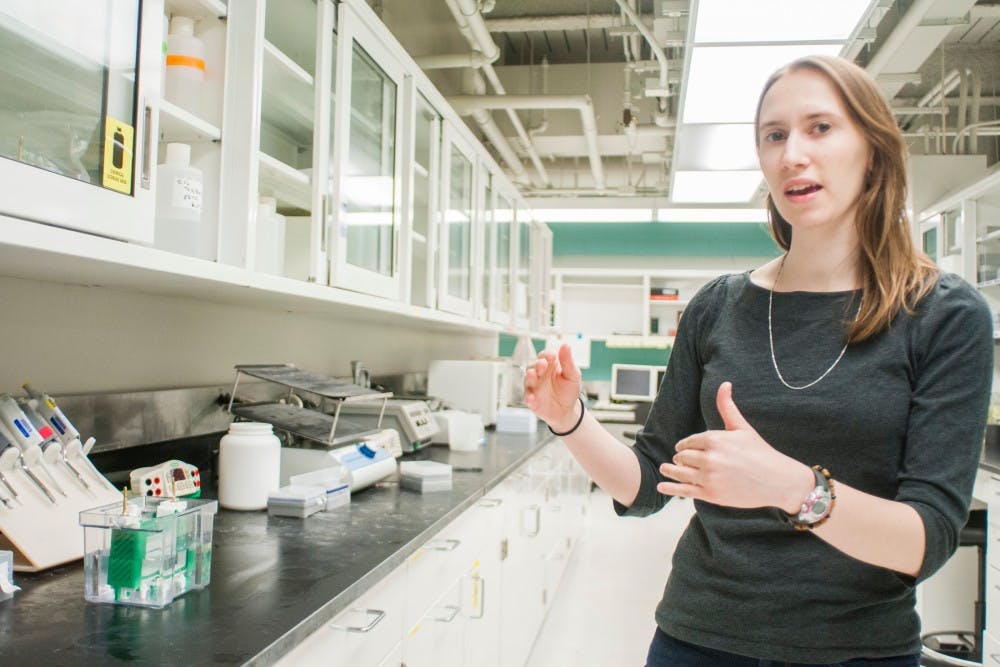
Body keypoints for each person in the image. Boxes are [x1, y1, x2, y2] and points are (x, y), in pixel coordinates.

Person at [523, 54, 994, 666]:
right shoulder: (717, 308)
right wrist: (571, 419)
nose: (792, 153)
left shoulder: (943, 315)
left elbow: (927, 540)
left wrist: (787, 484)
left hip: (858, 651)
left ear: (873, 150)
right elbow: (646, 485)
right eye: (774, 136)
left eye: (820, 127)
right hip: (698, 641)